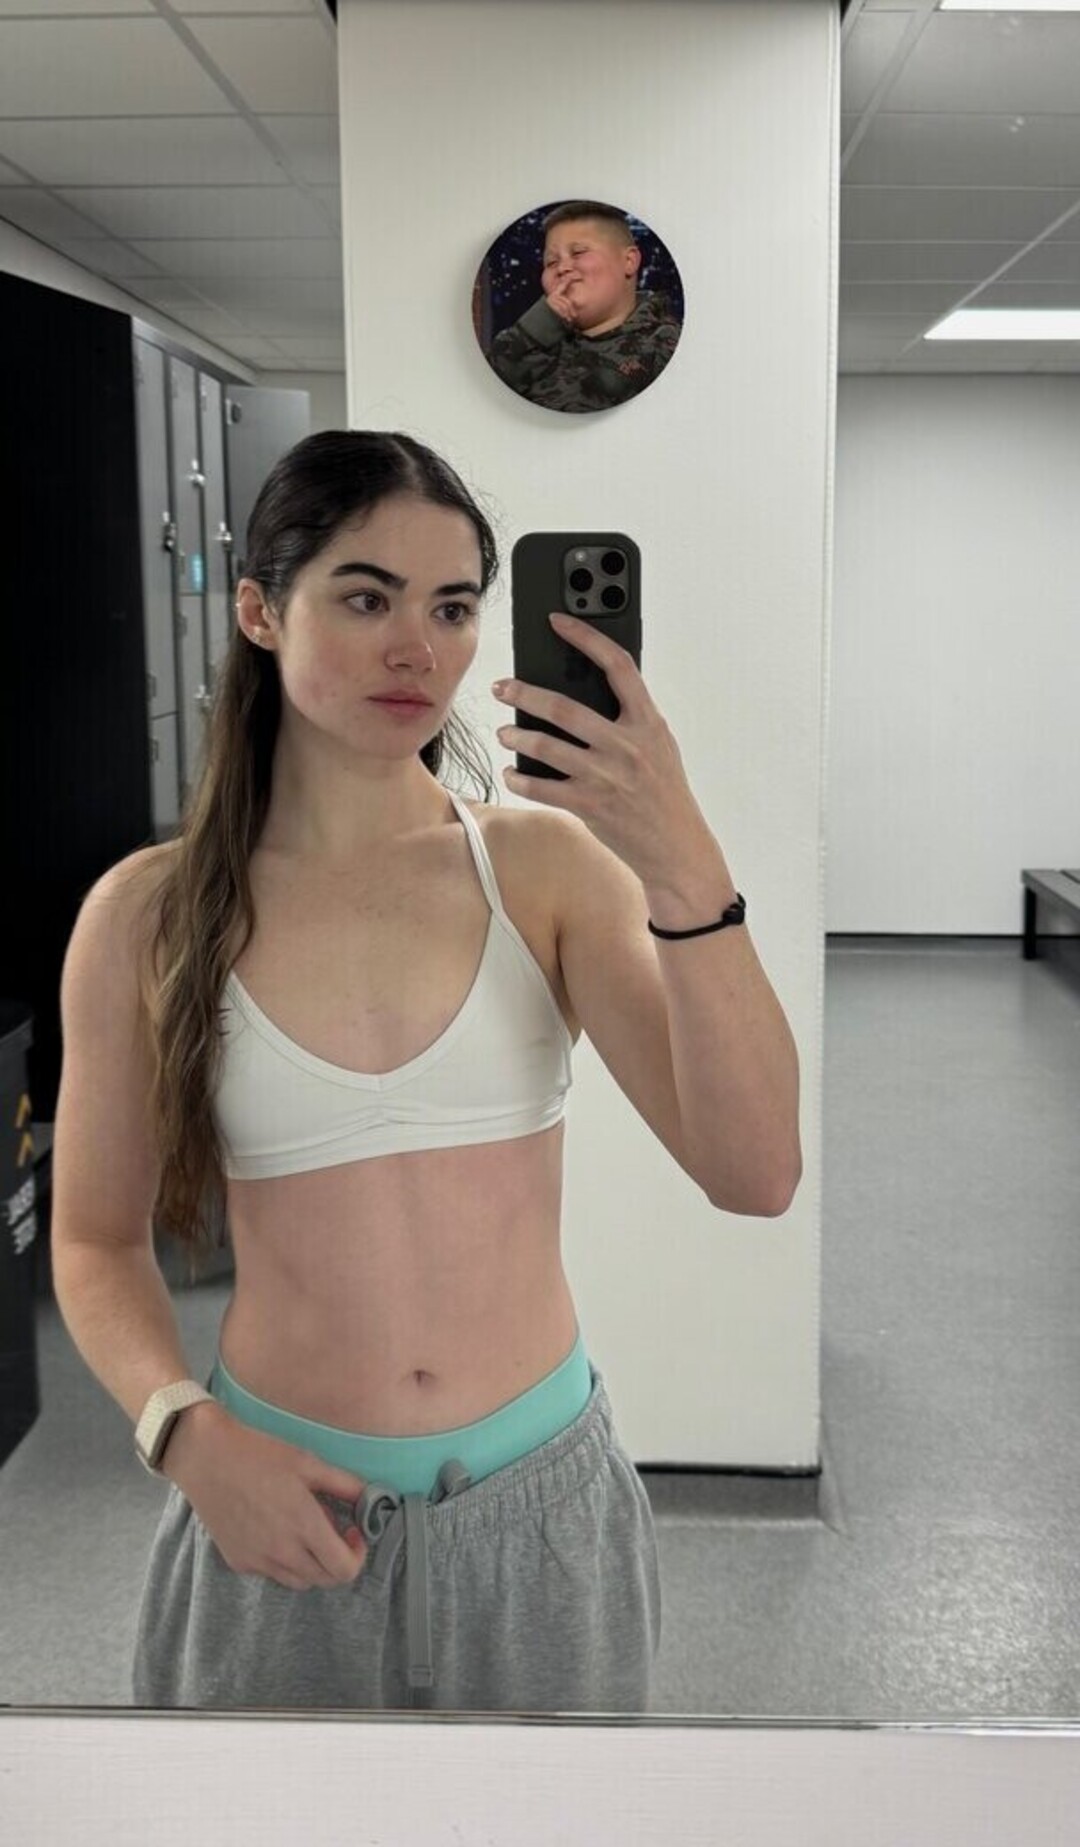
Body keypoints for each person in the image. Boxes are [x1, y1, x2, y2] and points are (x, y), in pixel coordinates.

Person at [50, 430, 801, 1714]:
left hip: (540, 1517)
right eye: (366, 597)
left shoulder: (545, 872)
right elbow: (93, 1239)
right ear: (259, 611)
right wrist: (183, 1430)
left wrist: (682, 860)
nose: (418, 648)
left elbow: (757, 1172)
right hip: (276, 1505)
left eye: (452, 607)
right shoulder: (147, 913)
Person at [487, 201, 682, 412]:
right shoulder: (535, 346)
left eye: (578, 252)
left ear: (629, 261)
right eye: (551, 262)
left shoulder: (668, 346)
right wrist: (537, 326)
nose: (562, 268)